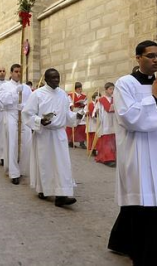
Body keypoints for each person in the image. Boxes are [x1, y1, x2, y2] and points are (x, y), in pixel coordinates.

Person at [108, 40, 157, 266]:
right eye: (150, 55)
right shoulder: (125, 83)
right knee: (141, 206)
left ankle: (122, 242)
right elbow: (128, 118)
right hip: (137, 151)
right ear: (137, 58)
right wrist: (154, 98)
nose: (155, 60)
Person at [22, 68, 80, 206]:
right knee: (45, 163)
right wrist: (39, 121)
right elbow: (27, 114)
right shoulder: (37, 95)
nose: (56, 80)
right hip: (44, 134)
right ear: (46, 79)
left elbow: (67, 116)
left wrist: (77, 116)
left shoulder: (63, 95)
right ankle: (44, 189)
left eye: (58, 77)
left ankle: (62, 195)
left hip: (59, 134)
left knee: (63, 164)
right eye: (53, 77)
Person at [0, 64, 32, 185]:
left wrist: (25, 106)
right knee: (12, 142)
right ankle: (13, 172)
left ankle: (22, 168)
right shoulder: (5, 86)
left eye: (20, 72)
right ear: (11, 73)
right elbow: (3, 99)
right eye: (16, 71)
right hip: (11, 114)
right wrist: (14, 92)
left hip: (23, 115)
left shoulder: (26, 88)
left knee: (26, 142)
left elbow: (31, 102)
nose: (18, 74)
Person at [95, 82, 116, 167]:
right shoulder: (101, 100)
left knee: (113, 140)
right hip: (106, 122)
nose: (112, 91)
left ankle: (113, 157)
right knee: (107, 141)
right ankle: (107, 159)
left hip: (114, 121)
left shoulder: (115, 99)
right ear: (106, 90)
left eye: (113, 89)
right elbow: (95, 111)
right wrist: (96, 111)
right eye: (110, 89)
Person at [66, 82, 87, 149]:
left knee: (82, 127)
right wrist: (71, 105)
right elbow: (69, 102)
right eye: (79, 89)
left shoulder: (84, 96)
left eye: (81, 89)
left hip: (81, 110)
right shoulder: (71, 95)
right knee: (73, 126)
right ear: (76, 89)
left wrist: (83, 104)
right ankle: (71, 141)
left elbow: (86, 103)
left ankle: (82, 142)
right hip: (74, 110)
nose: (80, 90)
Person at [85, 91, 100, 156]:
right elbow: (91, 114)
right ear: (93, 99)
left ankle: (96, 149)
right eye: (97, 99)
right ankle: (92, 149)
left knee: (97, 137)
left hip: (98, 123)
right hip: (92, 123)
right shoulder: (91, 104)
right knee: (92, 137)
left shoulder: (99, 104)